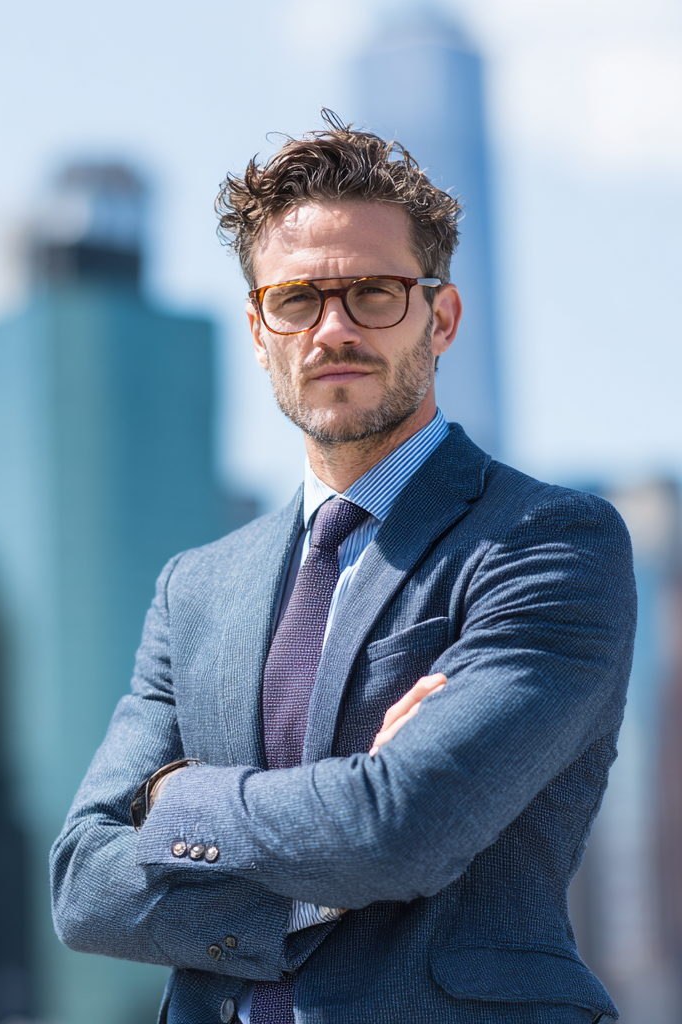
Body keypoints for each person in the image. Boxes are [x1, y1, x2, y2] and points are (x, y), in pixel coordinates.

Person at [50, 111, 636, 1024]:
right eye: (297, 300)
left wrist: (178, 798)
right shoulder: (194, 589)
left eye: (373, 293)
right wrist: (326, 861)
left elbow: (404, 830)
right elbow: (84, 885)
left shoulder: (549, 541)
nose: (333, 329)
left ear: (439, 316)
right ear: (258, 328)